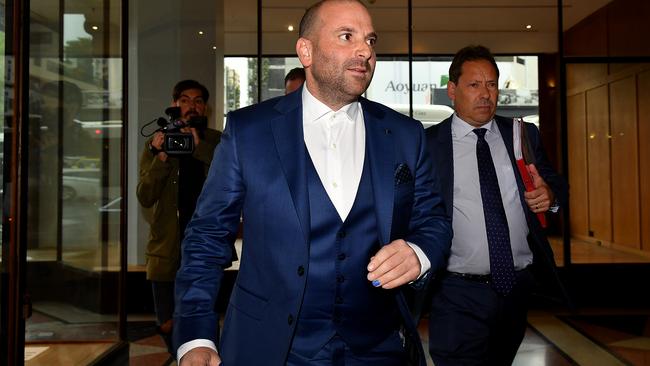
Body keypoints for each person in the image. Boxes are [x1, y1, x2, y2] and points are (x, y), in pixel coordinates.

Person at [173, 1, 452, 365]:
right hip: (272, 346)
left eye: (370, 39)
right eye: (347, 36)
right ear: (306, 50)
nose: (365, 50)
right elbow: (207, 236)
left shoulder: (405, 134)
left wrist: (418, 253)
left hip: (377, 346)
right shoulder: (248, 131)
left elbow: (434, 220)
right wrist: (195, 335)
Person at [425, 45, 569, 365]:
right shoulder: (429, 145)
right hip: (456, 292)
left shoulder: (522, 134)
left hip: (515, 289)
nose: (485, 94)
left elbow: (556, 187)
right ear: (452, 90)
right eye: (474, 85)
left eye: (491, 84)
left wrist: (552, 198)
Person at [137, 79, 221, 355]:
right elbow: (145, 196)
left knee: (202, 319)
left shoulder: (216, 141)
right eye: (184, 100)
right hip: (166, 247)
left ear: (205, 107)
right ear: (175, 105)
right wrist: (159, 157)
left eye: (197, 101)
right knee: (167, 321)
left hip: (204, 247)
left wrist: (199, 148)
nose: (191, 106)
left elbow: (227, 185)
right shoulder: (157, 142)